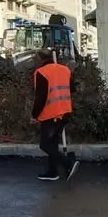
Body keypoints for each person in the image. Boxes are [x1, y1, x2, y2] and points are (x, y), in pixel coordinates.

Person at [31, 50, 80, 181]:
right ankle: (53, 172)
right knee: (52, 144)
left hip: (51, 113)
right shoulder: (65, 70)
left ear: (40, 60)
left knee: (45, 145)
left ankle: (67, 163)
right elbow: (72, 89)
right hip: (65, 112)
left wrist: (34, 115)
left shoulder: (41, 73)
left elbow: (40, 97)